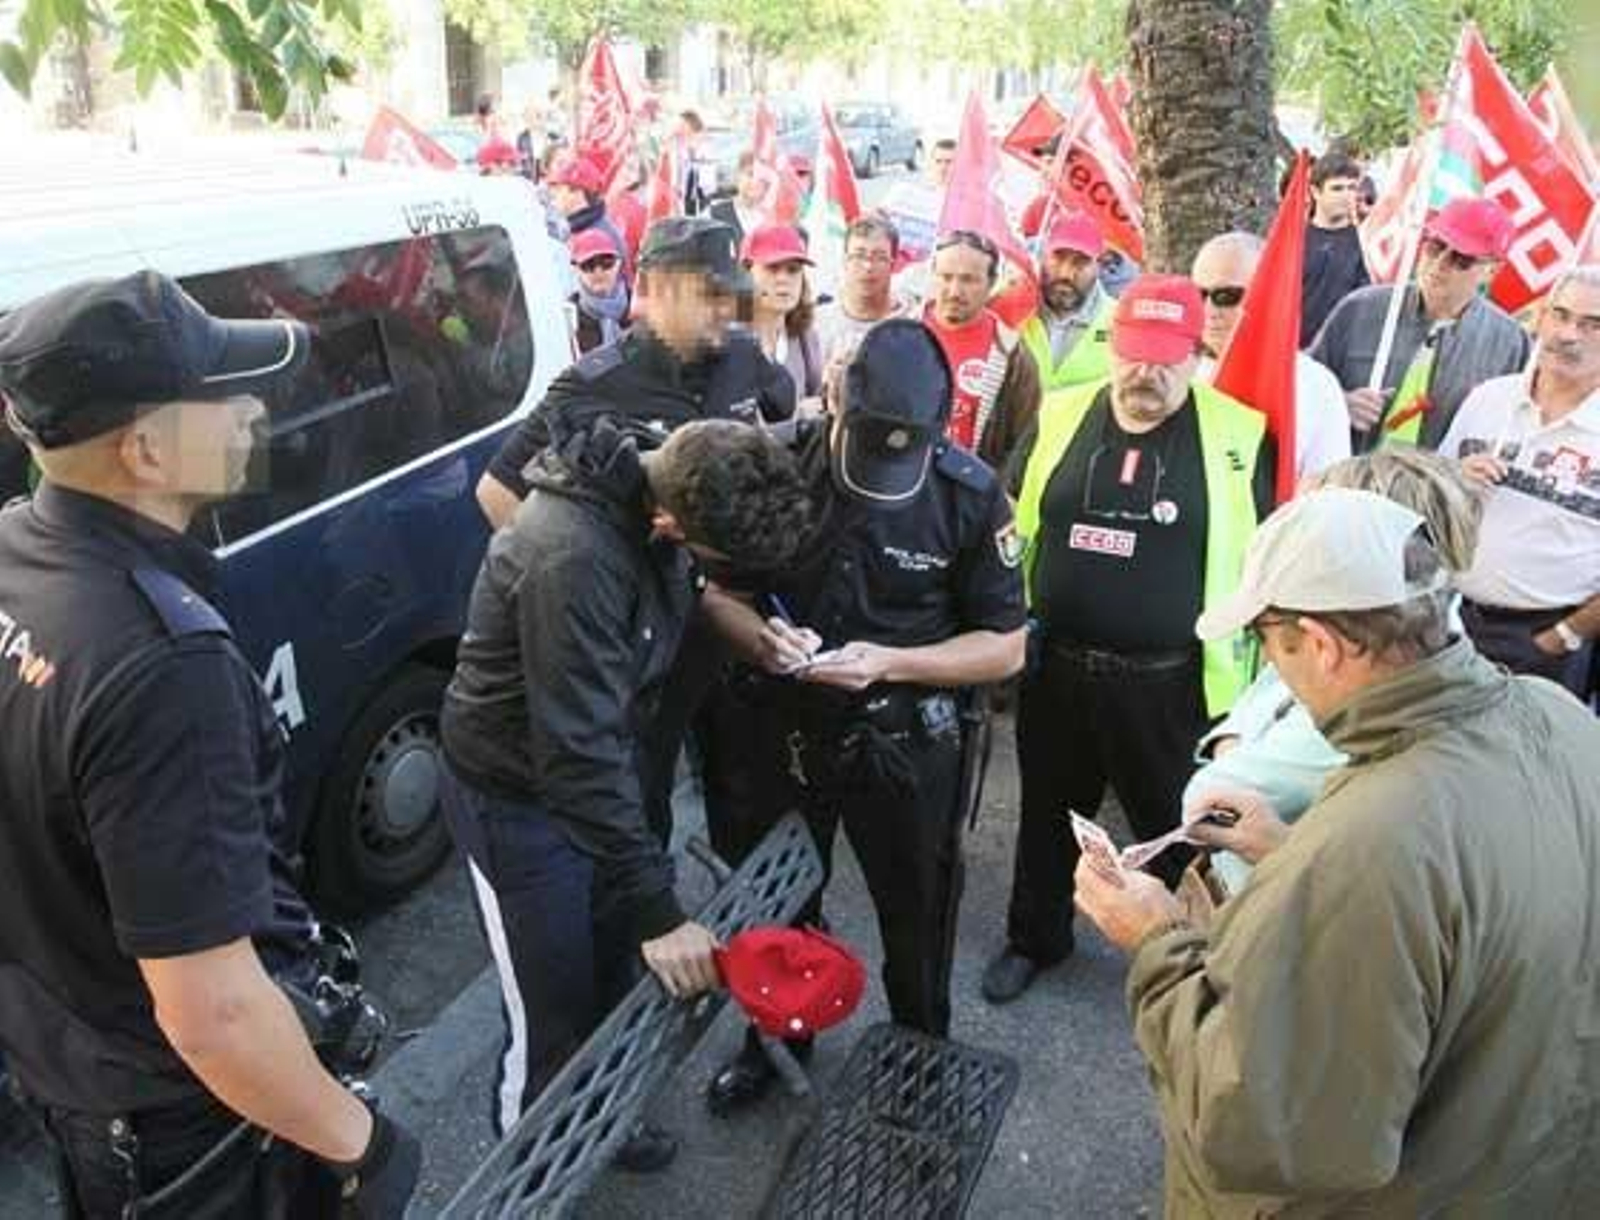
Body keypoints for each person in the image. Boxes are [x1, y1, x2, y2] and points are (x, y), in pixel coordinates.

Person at [0, 272, 418, 1218]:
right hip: (183, 1130)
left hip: (69, 1068)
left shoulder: (14, 551)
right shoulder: (162, 663)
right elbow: (215, 1014)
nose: (251, 411)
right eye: (222, 395)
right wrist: (362, 1148)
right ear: (146, 449)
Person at [1075, 486, 1600, 1216]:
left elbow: (1269, 1129)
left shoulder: (1375, 835)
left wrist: (1156, 939)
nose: (1274, 670)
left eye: (1268, 643)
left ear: (1320, 643)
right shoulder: (1559, 715)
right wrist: (1282, 846)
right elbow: (1469, 929)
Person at [440, 417, 810, 1160]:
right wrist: (658, 911)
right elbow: (572, 755)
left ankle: (595, 1124)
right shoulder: (568, 557)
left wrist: (759, 635)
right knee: (552, 1014)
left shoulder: (669, 477)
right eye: (714, 559)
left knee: (612, 979)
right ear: (672, 522)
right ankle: (533, 1174)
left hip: (602, 771)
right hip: (515, 802)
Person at [698, 319, 1028, 1112]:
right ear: (835, 401)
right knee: (779, 905)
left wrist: (891, 662)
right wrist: (766, 640)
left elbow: (1007, 647)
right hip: (784, 725)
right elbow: (717, 594)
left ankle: (920, 1062)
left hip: (905, 740)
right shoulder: (777, 462)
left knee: (915, 917)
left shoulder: (972, 496)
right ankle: (777, 1037)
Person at [982, 274, 1273, 1005]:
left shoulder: (1241, 432)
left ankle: (1186, 968)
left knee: (1179, 835)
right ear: (1113, 347)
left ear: (1196, 351)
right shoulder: (1061, 412)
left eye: (1167, 357)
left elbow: (1268, 557)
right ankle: (1035, 939)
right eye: (1134, 352)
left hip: (1170, 683)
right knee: (1048, 815)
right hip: (1058, 671)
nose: (1147, 372)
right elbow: (1014, 513)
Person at [475, 217, 795, 849]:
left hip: (726, 624)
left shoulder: (742, 357)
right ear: (650, 287)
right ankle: (646, 921)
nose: (718, 309)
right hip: (643, 641)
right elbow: (495, 493)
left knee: (742, 781)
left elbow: (784, 419)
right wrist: (610, 575)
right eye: (701, 292)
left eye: (725, 292)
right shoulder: (594, 383)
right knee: (642, 790)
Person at [1183, 447, 1483, 896]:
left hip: (1272, 903)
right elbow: (1264, 694)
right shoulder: (1423, 643)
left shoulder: (1361, 687)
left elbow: (1211, 795)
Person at [1441, 264, 1600, 696]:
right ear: (1541, 316)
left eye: (1592, 325)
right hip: (1449, 623)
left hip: (1543, 642)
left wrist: (1562, 637)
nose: (1569, 334)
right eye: (1561, 315)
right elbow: (1429, 496)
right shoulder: (1489, 398)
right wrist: (1454, 480)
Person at [1310, 197, 1530, 450]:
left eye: (1461, 258)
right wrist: (1339, 404)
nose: (1439, 264)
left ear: (1492, 270)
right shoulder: (1360, 308)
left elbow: (1514, 429)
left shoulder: (1512, 344)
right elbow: (1304, 386)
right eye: (1435, 246)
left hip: (1439, 486)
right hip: (1346, 478)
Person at [1193, 231, 1351, 479]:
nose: (1209, 310)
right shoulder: (1173, 375)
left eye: (1227, 297)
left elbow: (1329, 493)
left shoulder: (1316, 385)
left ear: (1269, 292)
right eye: (1199, 295)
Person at [923, 229, 1042, 472]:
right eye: (946, 277)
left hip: (963, 498)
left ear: (991, 283)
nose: (955, 291)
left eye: (968, 280)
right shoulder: (898, 332)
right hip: (895, 490)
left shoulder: (1011, 356)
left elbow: (1023, 444)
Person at [1018, 210, 1115, 393]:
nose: (1066, 274)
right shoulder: (1011, 309)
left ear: (1099, 265)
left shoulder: (1119, 323)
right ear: (1043, 255)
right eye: (1058, 257)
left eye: (1081, 262)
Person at [812, 214, 915, 364]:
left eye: (879, 257)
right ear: (845, 261)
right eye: (859, 256)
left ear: (892, 265)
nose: (868, 266)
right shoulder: (816, 323)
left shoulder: (911, 325)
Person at [742, 223, 823, 400]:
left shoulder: (806, 339)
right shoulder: (726, 341)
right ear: (746, 271)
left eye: (793, 270)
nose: (783, 279)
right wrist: (797, 413)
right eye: (772, 268)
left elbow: (815, 400)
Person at [1299, 150, 1371, 346]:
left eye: (1352, 187)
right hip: (1296, 352)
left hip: (1344, 351)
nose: (1346, 195)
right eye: (1337, 188)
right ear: (1315, 192)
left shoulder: (1366, 243)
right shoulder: (1296, 240)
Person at [546, 151, 628, 256]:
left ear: (576, 192)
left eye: (558, 188)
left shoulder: (597, 239)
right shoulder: (582, 225)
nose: (552, 193)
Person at [569, 227, 631, 355]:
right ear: (576, 269)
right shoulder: (569, 317)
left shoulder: (640, 306)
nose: (599, 271)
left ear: (619, 263)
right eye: (588, 264)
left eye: (607, 262)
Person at [709, 150, 766, 246]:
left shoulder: (773, 218)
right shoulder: (716, 214)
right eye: (750, 174)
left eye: (761, 177)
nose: (755, 181)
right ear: (738, 175)